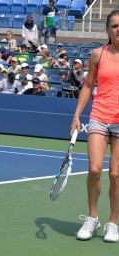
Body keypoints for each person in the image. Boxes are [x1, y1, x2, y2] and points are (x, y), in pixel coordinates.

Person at [70, 10, 119, 243]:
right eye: (115, 25)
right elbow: (88, 86)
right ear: (107, 30)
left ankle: (112, 223)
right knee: (95, 170)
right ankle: (92, 217)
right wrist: (77, 115)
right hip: (99, 116)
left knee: (116, 175)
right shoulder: (98, 54)